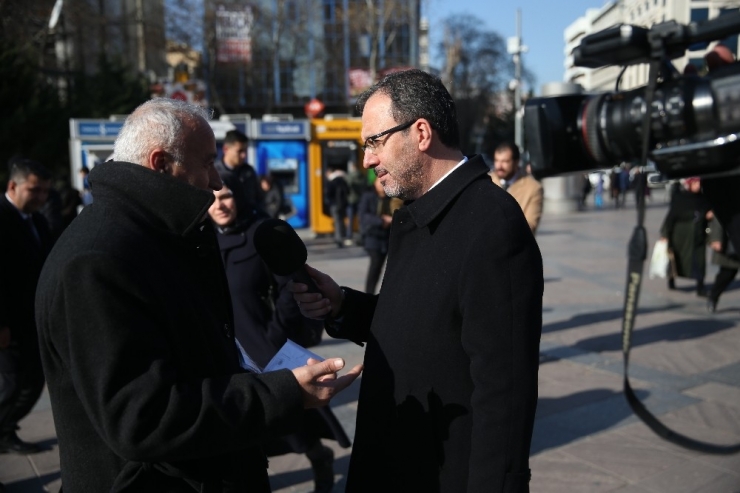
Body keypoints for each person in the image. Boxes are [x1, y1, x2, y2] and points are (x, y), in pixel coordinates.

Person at [34, 98, 362, 492]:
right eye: (207, 162)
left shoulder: (155, 236)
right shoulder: (97, 262)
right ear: (160, 164)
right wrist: (284, 393)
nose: (218, 181)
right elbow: (144, 417)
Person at [291, 69, 543, 492]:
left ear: (421, 132)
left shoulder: (490, 222)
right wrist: (343, 306)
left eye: (374, 141)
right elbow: (424, 324)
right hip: (394, 458)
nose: (367, 159)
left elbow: (505, 393)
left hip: (440, 471)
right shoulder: (419, 211)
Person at [208, 185, 351, 493]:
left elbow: (290, 285)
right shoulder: (201, 239)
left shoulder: (260, 234)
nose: (220, 204)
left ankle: (318, 456)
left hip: (262, 342)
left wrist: (277, 330)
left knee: (293, 418)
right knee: (247, 423)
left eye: (227, 196)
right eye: (214, 198)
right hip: (224, 347)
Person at [0, 159, 53, 454]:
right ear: (13, 186)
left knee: (32, 381)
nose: (41, 198)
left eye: (46, 192)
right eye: (35, 190)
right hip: (9, 324)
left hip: (32, 321)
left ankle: (5, 432)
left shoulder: (37, 220)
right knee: (12, 384)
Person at [659, 177, 712, 296]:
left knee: (699, 262)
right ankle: (671, 280)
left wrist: (708, 215)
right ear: (689, 184)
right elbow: (671, 218)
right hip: (680, 238)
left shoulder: (703, 198)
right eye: (695, 183)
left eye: (699, 183)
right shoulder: (680, 198)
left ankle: (700, 287)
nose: (698, 185)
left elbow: (706, 213)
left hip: (698, 236)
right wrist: (665, 235)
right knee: (675, 260)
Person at [489, 141, 544, 234]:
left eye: (505, 161)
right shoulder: (486, 181)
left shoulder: (533, 187)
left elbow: (531, 225)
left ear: (516, 162)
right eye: (496, 160)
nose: (499, 166)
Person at [358, 178, 395, 294]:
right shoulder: (368, 196)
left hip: (388, 236)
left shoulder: (392, 198)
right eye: (380, 183)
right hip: (373, 236)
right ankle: (369, 293)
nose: (382, 186)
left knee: (389, 268)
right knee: (375, 266)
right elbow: (363, 216)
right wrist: (381, 220)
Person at [215, 129, 262, 220]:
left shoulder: (249, 172)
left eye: (245, 151)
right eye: (240, 151)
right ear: (226, 149)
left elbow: (258, 199)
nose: (244, 155)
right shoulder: (213, 172)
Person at [706, 217, 739, 313]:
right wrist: (716, 238)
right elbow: (719, 216)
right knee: (727, 274)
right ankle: (713, 297)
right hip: (732, 241)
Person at [324, 164, 350, 248]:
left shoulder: (331, 182)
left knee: (337, 222)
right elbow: (347, 191)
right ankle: (343, 236)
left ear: (329, 172)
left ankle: (338, 239)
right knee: (341, 221)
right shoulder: (342, 180)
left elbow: (328, 194)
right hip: (342, 204)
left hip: (334, 205)